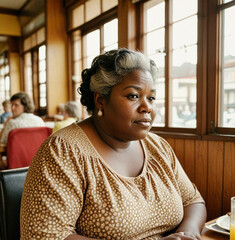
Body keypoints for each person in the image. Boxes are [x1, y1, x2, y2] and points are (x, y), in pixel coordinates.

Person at [20, 49, 206, 240]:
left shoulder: (158, 146)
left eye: (151, 98)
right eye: (133, 96)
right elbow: (44, 235)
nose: (147, 107)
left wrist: (188, 233)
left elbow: (193, 201)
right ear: (100, 99)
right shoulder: (63, 151)